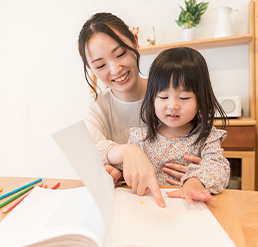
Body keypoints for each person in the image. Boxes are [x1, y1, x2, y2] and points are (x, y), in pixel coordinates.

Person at [78, 12, 201, 207]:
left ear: (135, 42)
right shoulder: (97, 104)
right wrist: (126, 153)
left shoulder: (169, 98)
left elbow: (204, 150)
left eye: (120, 54)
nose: (115, 69)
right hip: (127, 204)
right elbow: (89, 151)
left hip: (175, 199)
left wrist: (199, 174)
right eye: (100, 65)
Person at [127, 47, 230, 204]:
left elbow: (219, 169)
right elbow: (126, 167)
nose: (172, 105)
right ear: (152, 98)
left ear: (201, 99)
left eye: (183, 97)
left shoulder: (206, 138)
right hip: (147, 207)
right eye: (163, 96)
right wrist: (114, 172)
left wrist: (195, 182)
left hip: (188, 209)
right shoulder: (139, 138)